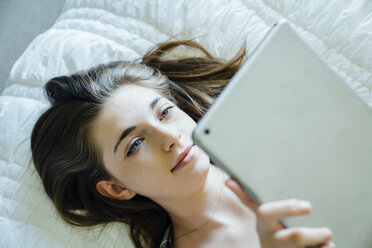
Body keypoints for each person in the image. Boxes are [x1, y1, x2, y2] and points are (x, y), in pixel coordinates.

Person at [31, 40, 335, 248]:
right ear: (117, 188)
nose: (170, 138)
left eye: (164, 113)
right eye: (135, 144)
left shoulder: (276, 136)